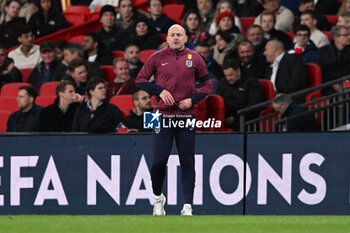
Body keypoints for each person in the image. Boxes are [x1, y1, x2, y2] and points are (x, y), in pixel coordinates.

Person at [136, 24, 212, 216]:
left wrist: (192, 100)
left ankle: (187, 206)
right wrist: (159, 91)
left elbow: (207, 85)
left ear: (186, 38)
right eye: (172, 35)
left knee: (187, 160)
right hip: (157, 114)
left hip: (186, 115)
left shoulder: (195, 58)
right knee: (158, 161)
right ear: (167, 38)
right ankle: (157, 198)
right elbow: (140, 80)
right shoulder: (156, 57)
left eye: (179, 34)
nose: (176, 38)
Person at [216, 60, 265, 130]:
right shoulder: (223, 83)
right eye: (226, 75)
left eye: (230, 75)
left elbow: (253, 106)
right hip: (225, 116)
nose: (228, 78)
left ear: (238, 71)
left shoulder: (251, 83)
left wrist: (235, 118)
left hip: (244, 118)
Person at [317, 25, 350, 95]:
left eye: (349, 34)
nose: (349, 37)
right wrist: (333, 84)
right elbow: (322, 71)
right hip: (328, 85)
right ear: (336, 38)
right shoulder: (323, 51)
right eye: (345, 35)